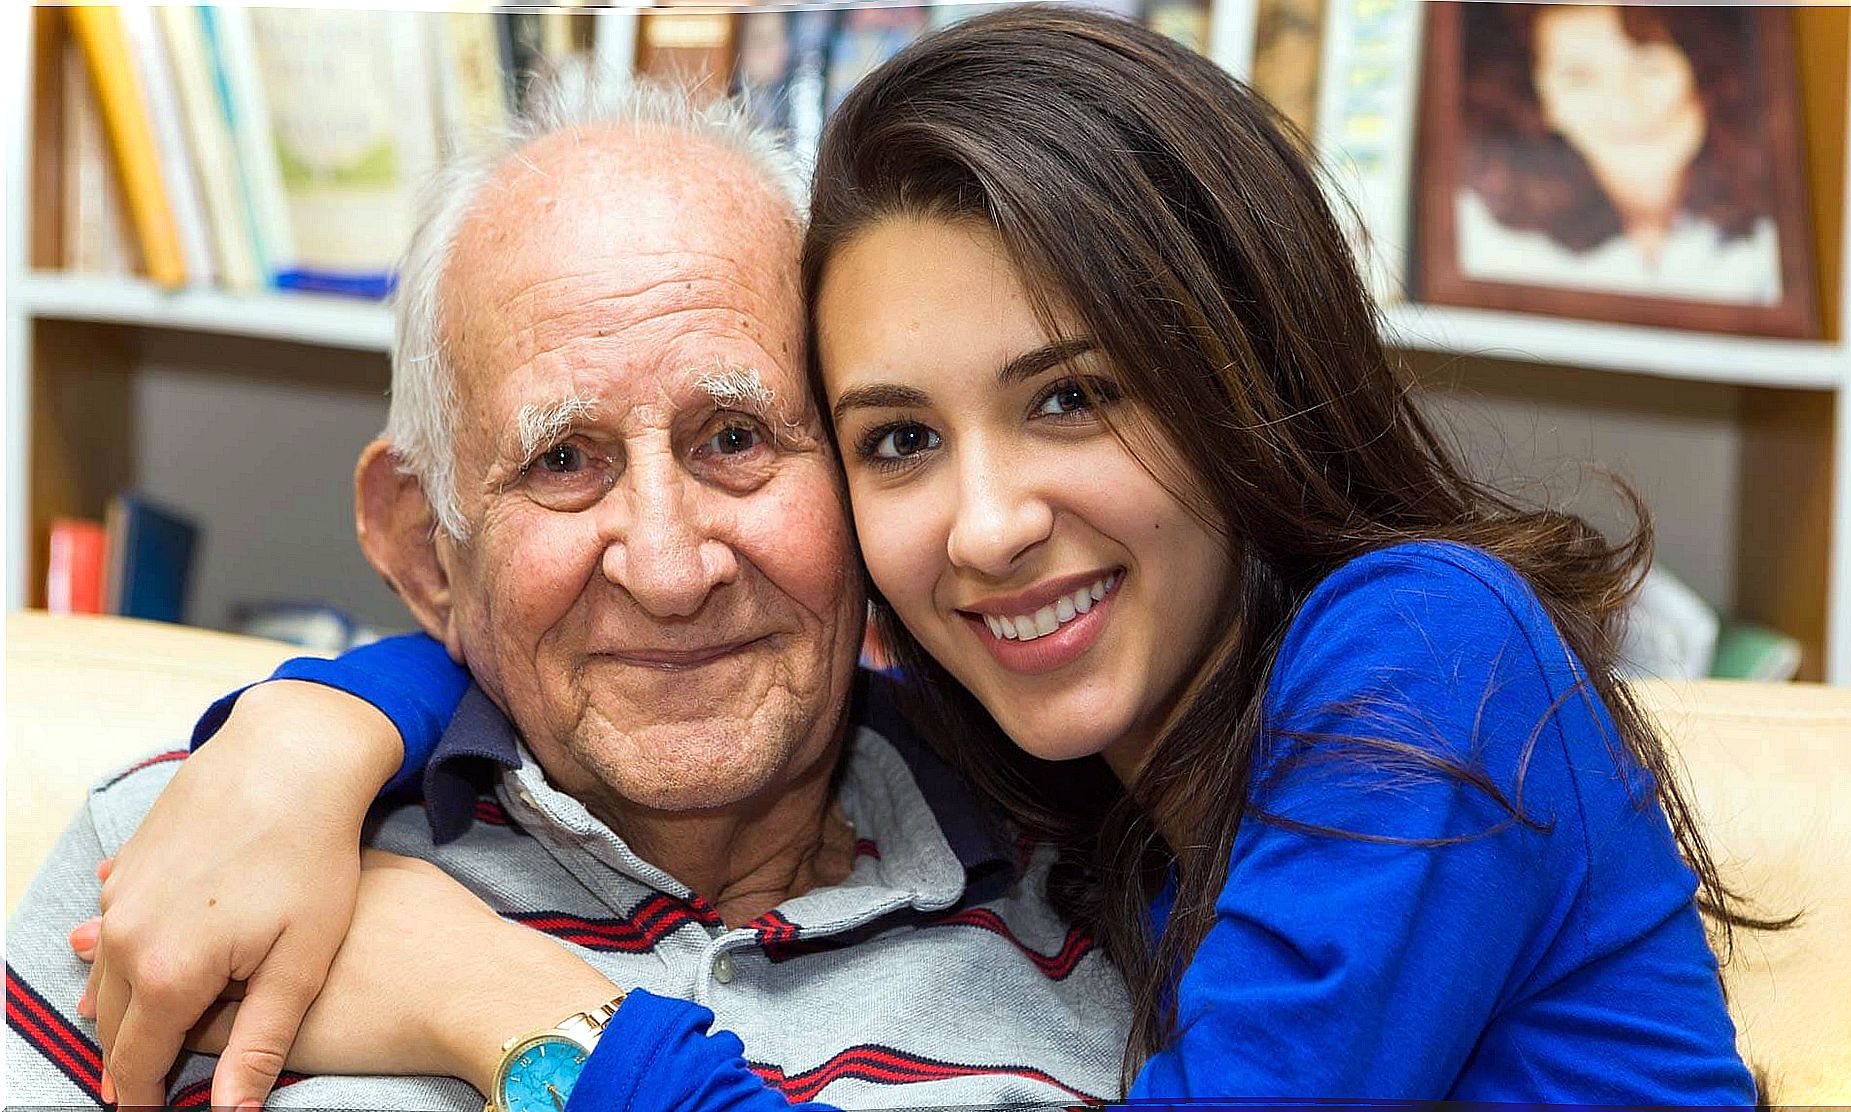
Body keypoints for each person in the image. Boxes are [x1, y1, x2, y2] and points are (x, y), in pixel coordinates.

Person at [66, 6, 1761, 1107]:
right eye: (898, 439)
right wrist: (331, 722)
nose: (988, 522)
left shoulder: (1422, 654)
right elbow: (608, 623)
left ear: (1242, 371)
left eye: (1073, 396)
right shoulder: (1083, 789)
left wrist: (498, 1005)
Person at [4, 65, 1130, 1112]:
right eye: (563, 460)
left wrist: (509, 1007)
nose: (671, 568)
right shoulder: (199, 857)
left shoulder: (1109, 890)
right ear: (422, 543)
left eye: (734, 435)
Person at [1458, 3, 1783, 304]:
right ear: (1543, 103)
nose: (1625, 106)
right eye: (1579, 79)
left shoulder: (1782, 218)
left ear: (1702, 74)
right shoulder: (1484, 236)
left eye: (1649, 65)